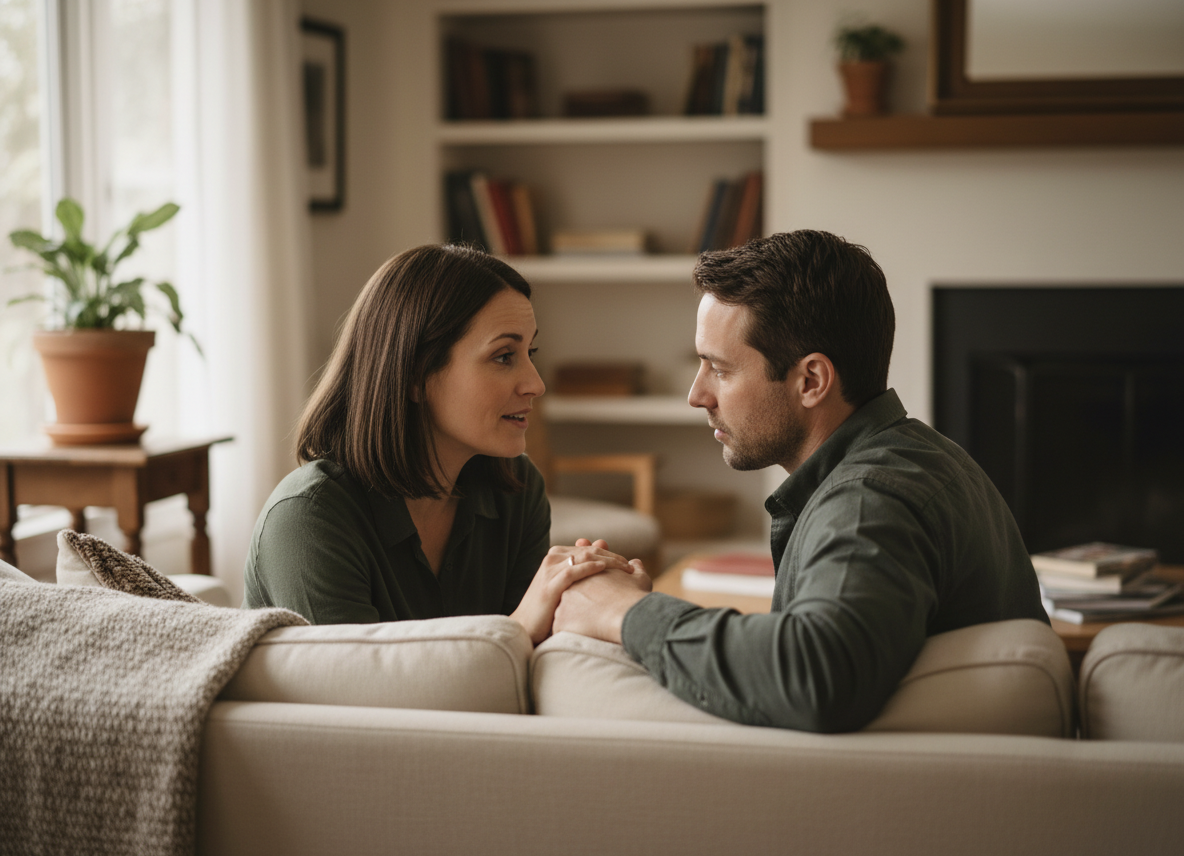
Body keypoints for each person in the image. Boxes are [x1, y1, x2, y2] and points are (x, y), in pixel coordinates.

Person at [553, 229, 1049, 732]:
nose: (697, 394)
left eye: (719, 369)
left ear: (811, 380)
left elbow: (814, 675)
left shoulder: (869, 499)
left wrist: (627, 613)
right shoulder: (920, 458)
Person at [244, 244, 635, 642]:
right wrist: (517, 627)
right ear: (415, 375)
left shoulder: (516, 489)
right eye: (504, 356)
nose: (536, 384)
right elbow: (359, 694)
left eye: (529, 352)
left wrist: (610, 608)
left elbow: (534, 663)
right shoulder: (308, 520)